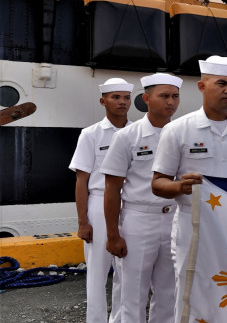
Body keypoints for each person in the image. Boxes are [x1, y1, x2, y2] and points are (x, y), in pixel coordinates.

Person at [151, 56, 227, 323]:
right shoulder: (178, 130)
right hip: (194, 232)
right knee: (192, 297)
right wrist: (180, 186)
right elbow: (158, 183)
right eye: (222, 83)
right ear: (202, 87)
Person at [100, 73, 181, 323]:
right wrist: (113, 234)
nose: (171, 102)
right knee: (132, 293)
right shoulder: (127, 136)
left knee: (169, 293)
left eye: (175, 96)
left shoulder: (182, 134)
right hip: (139, 219)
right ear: (146, 98)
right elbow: (112, 188)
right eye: (164, 96)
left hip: (173, 219)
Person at [70, 77, 133, 323]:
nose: (122, 102)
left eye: (126, 97)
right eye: (116, 97)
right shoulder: (91, 134)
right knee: (97, 272)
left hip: (130, 205)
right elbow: (81, 181)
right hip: (98, 204)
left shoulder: (137, 132)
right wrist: (82, 221)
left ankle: (119, 320)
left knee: (126, 271)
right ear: (103, 100)